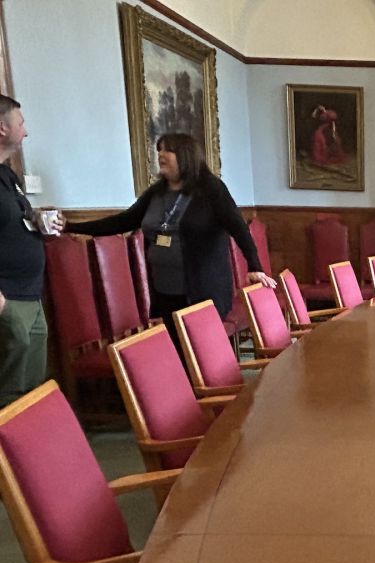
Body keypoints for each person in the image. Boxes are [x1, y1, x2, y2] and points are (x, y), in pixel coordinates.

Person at [65, 132, 275, 344]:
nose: (161, 155)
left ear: (185, 155)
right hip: (165, 289)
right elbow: (123, 221)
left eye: (168, 150)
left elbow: (238, 228)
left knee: (203, 350)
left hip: (202, 290)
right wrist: (70, 226)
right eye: (159, 150)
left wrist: (254, 266)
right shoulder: (156, 193)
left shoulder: (211, 189)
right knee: (179, 350)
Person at [0, 95, 65, 407]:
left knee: (31, 391)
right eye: (21, 122)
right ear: (2, 128)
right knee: (9, 394)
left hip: (30, 295)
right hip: (7, 300)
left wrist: (38, 218)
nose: (25, 131)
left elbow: (16, 219)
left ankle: (29, 454)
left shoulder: (7, 175)